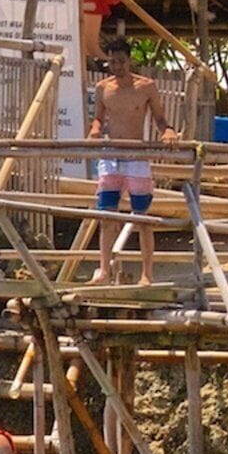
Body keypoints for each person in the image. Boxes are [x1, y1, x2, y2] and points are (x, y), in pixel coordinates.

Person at [87, 45, 178, 283]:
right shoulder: (103, 87)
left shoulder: (146, 87)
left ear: (130, 61)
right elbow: (98, 119)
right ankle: (104, 270)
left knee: (142, 218)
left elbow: (160, 118)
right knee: (107, 216)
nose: (117, 66)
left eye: (121, 61)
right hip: (111, 156)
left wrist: (168, 132)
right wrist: (95, 130)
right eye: (113, 62)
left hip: (137, 157)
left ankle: (147, 274)